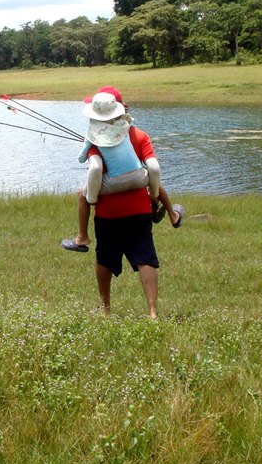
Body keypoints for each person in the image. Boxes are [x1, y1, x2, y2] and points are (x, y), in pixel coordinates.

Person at [63, 88, 183, 319]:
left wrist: (92, 196)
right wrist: (155, 196)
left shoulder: (95, 141)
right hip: (139, 210)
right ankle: (152, 311)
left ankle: (106, 309)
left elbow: (95, 170)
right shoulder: (140, 136)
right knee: (145, 257)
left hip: (108, 213)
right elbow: (154, 169)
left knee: (105, 259)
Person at [61, 87, 183, 253]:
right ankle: (172, 215)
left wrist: (89, 144)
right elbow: (154, 168)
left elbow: (95, 166)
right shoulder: (137, 134)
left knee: (83, 196)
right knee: (151, 175)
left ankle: (82, 236)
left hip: (110, 201)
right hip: (140, 181)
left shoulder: (95, 136)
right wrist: (153, 195)